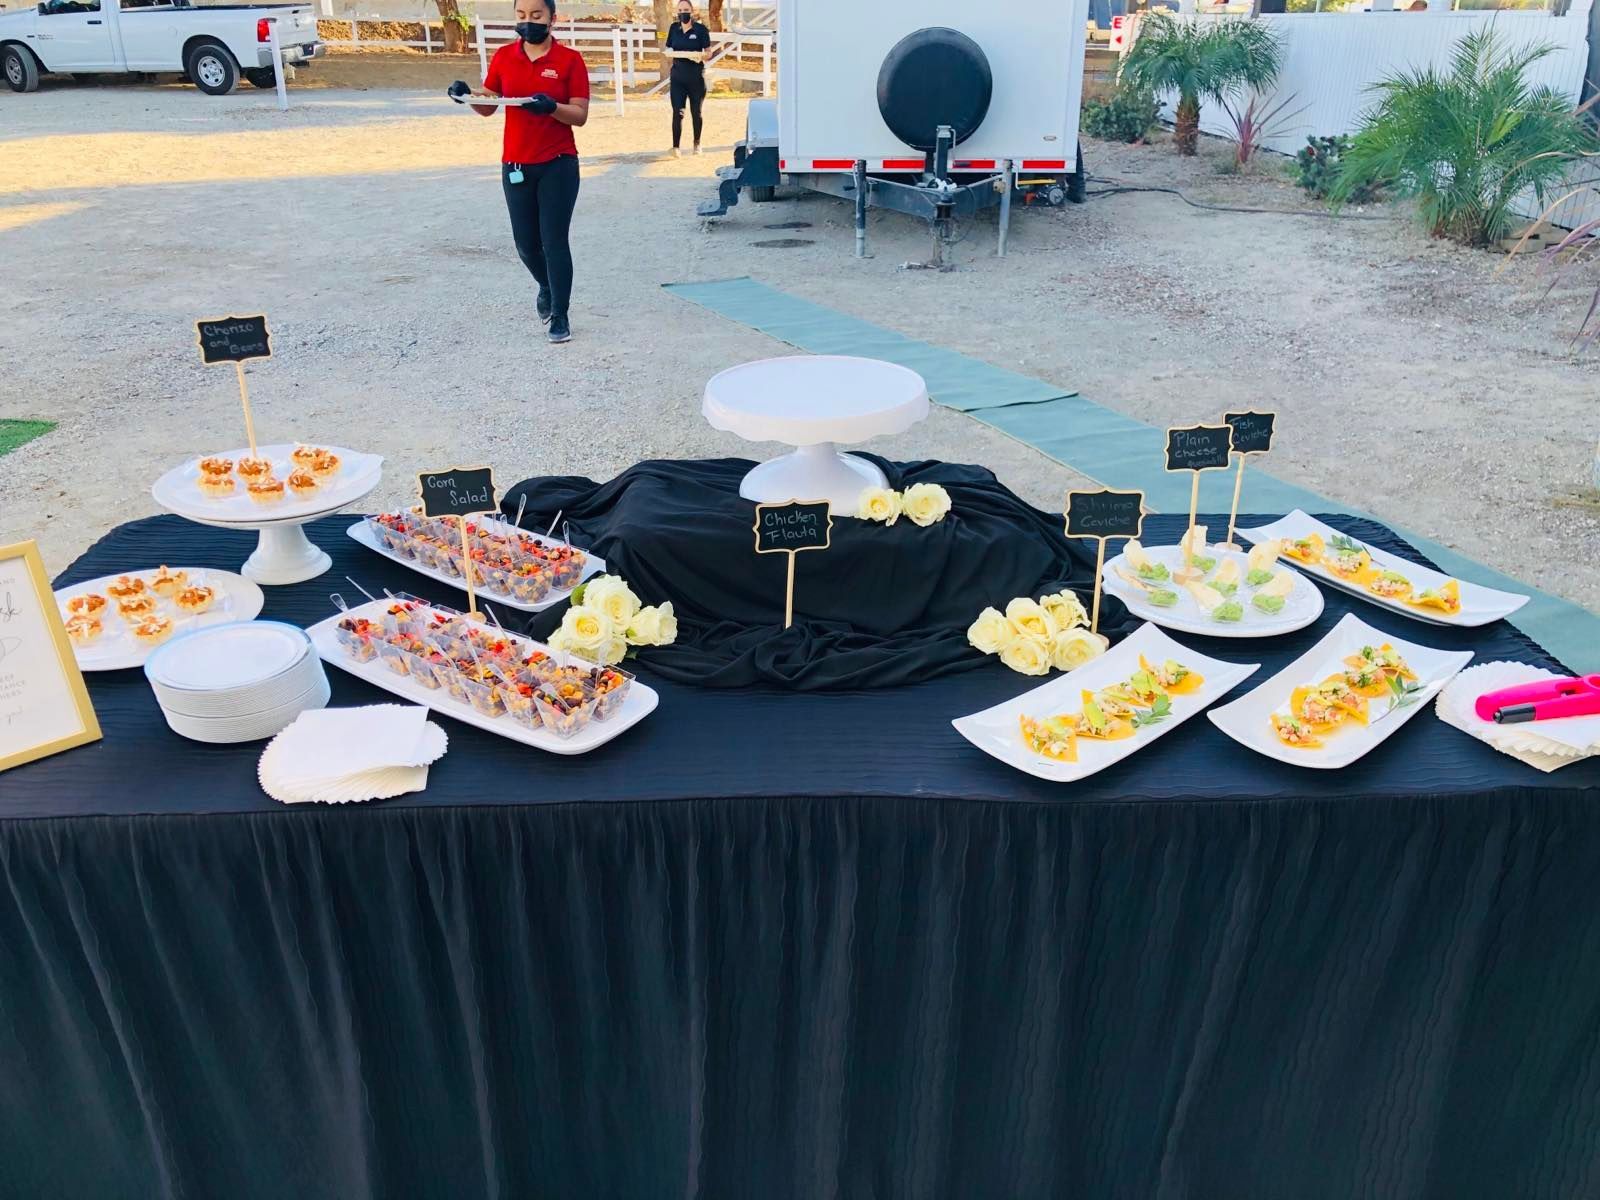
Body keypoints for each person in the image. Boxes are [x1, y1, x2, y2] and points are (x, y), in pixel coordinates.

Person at [448, 0, 589, 344]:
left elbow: (580, 114)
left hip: (558, 163)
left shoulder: (570, 61)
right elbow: (489, 105)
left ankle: (560, 313)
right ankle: (546, 285)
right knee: (526, 245)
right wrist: (466, 97)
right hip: (515, 164)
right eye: (522, 16)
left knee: (553, 241)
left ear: (552, 19)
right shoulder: (504, 58)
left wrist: (552, 107)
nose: (528, 23)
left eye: (536, 16)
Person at [664, 0, 710, 157]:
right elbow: (669, 47)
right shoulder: (673, 28)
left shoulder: (701, 30)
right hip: (677, 78)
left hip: (696, 77)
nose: (683, 12)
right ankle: (675, 147)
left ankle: (697, 143)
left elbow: (708, 52)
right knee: (678, 112)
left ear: (692, 11)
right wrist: (669, 53)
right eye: (680, 10)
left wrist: (701, 56)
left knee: (696, 112)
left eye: (686, 9)